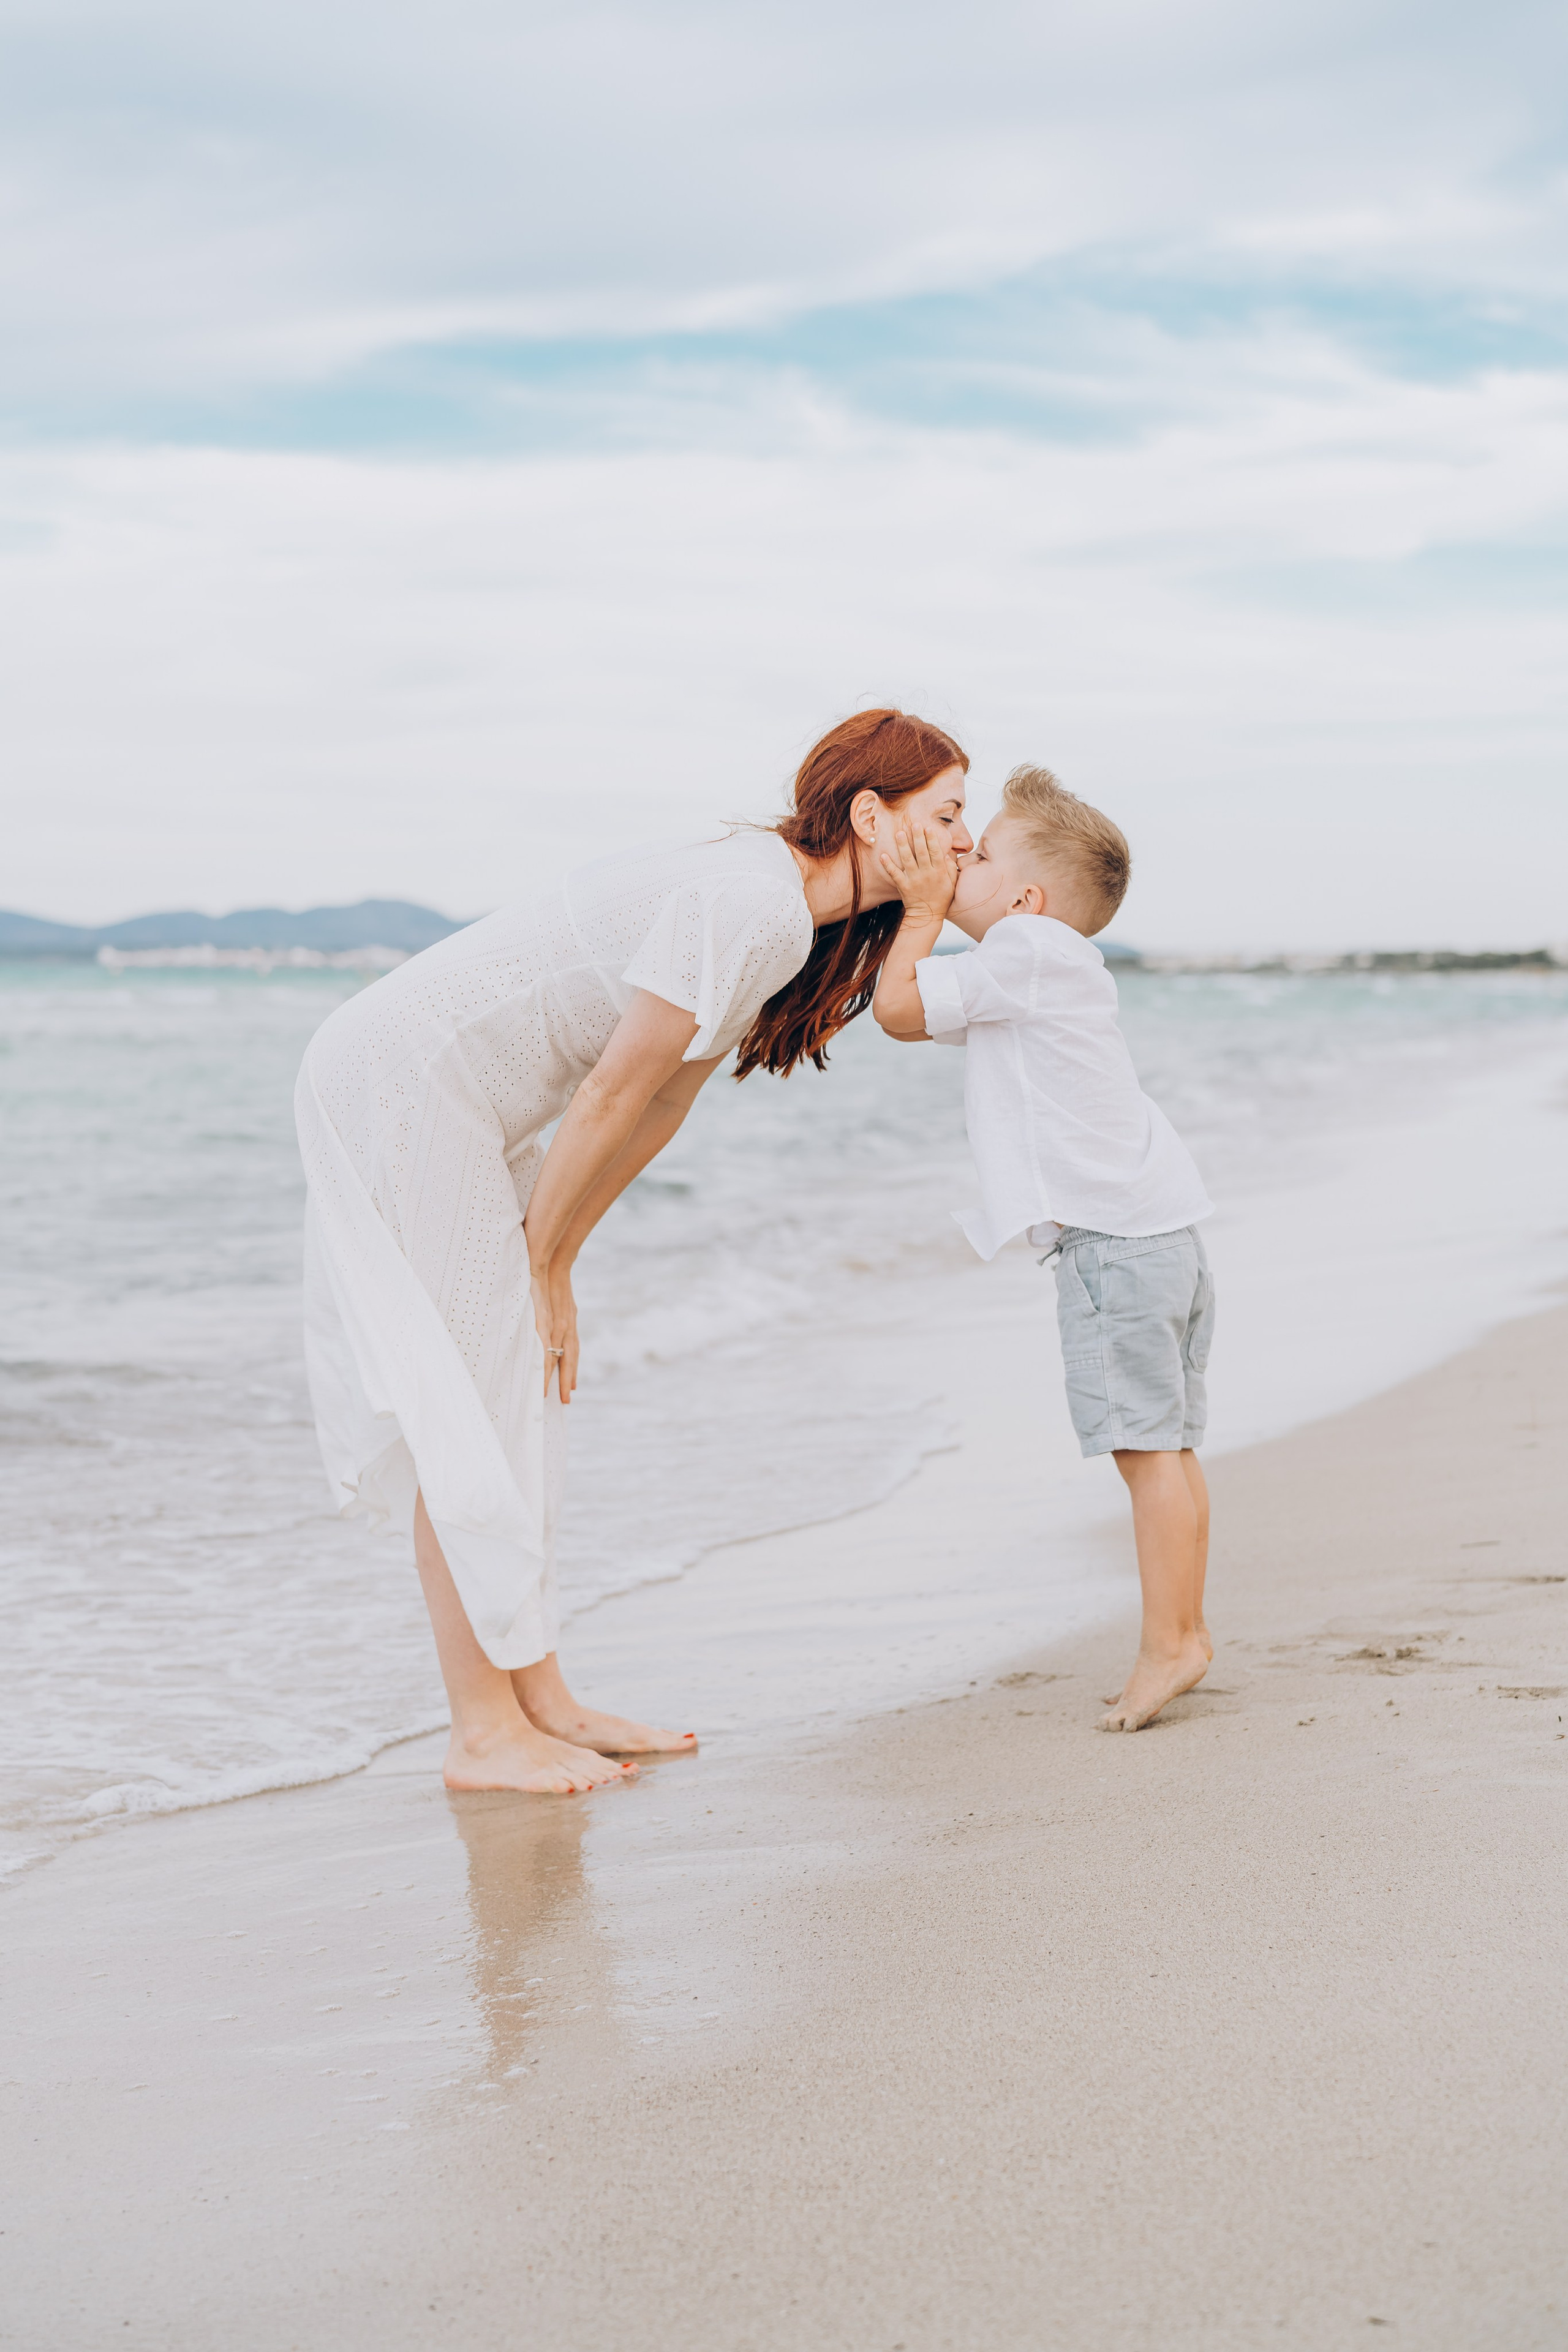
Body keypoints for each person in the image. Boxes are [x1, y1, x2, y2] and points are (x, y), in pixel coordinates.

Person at [295, 710, 974, 1794]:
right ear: (868, 814)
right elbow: (613, 1090)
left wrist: (559, 1256)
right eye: (947, 814)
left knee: (518, 1387)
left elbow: (662, 1102)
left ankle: (540, 1697)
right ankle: (481, 1732)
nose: (964, 841)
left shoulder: (783, 920)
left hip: (471, 1107)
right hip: (406, 1086)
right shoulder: (755, 904)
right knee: (474, 1399)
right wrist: (548, 1264)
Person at [872, 764, 1216, 1732]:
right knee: (1170, 1450)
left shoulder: (1025, 951)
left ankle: (1173, 1644)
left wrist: (916, 909)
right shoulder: (1046, 969)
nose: (955, 859)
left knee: (1146, 1454)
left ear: (1025, 899)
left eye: (973, 855)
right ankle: (1181, 1632)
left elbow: (897, 1011)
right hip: (1164, 1238)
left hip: (1117, 1249)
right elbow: (928, 1012)